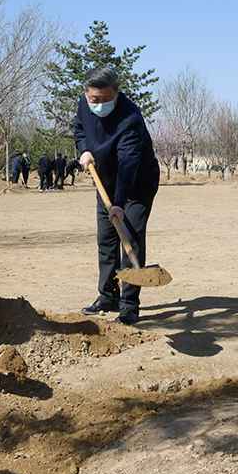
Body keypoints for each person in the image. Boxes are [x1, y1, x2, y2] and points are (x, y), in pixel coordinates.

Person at [74, 66, 160, 326]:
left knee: (130, 239)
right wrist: (84, 149)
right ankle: (107, 296)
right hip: (105, 180)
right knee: (106, 240)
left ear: (117, 93)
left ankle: (129, 306)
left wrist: (120, 204)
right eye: (93, 99)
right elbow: (79, 129)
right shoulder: (83, 104)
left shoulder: (130, 118)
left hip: (136, 184)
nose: (97, 104)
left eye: (104, 99)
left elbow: (128, 164)